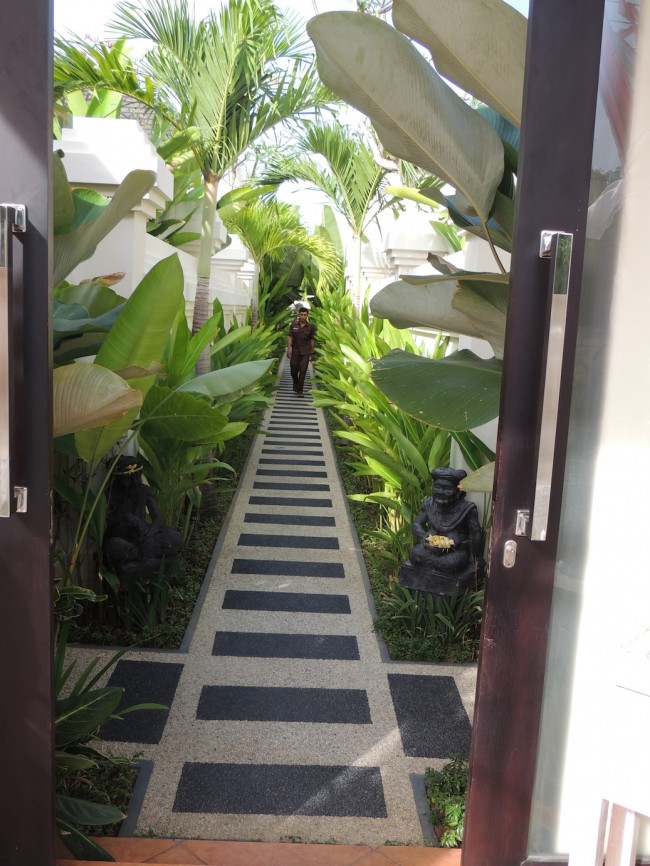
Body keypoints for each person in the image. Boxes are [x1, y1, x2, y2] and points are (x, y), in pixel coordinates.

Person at [407, 467, 483, 575]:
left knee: (451, 563)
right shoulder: (429, 503)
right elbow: (416, 524)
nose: (441, 492)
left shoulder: (467, 509)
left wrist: (477, 558)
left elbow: (476, 534)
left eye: (447, 489)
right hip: (430, 549)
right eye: (437, 487)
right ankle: (434, 569)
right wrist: (424, 535)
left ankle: (438, 569)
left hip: (455, 551)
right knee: (415, 554)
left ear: (458, 492)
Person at [287, 306, 316, 397]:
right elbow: (290, 337)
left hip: (305, 352)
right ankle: (296, 382)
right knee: (293, 370)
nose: (303, 316)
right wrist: (289, 348)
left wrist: (312, 352)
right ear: (298, 314)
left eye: (305, 315)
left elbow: (312, 340)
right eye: (301, 314)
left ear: (307, 316)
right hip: (295, 350)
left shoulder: (311, 327)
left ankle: (300, 391)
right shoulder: (293, 325)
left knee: (303, 371)